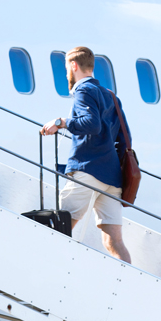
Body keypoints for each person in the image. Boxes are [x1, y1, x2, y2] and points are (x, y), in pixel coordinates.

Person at [40, 46, 132, 263]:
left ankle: (51, 275)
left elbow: (92, 124)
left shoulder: (83, 90)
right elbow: (125, 138)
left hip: (88, 172)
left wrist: (60, 123)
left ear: (73, 66)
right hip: (112, 180)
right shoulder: (110, 96)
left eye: (66, 70)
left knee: (58, 228)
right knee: (114, 242)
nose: (67, 75)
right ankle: (128, 283)